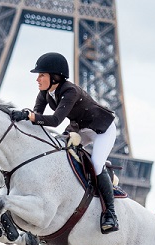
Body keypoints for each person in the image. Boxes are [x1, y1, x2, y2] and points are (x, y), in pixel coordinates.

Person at [11, 52, 119, 234]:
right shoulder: (45, 93)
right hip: (80, 128)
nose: (37, 79)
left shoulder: (70, 91)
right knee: (58, 151)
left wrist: (30, 116)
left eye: (41, 75)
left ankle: (110, 213)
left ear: (55, 77)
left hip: (102, 129)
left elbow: (54, 120)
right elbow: (36, 117)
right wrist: (22, 118)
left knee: (97, 163)